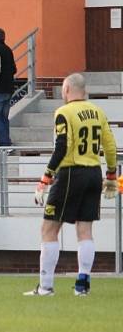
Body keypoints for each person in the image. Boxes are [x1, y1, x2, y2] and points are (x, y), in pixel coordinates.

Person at [25, 73, 118, 297]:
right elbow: (111, 146)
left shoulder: (64, 113)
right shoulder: (98, 112)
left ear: (66, 90)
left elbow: (62, 147)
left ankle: (45, 287)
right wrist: (112, 176)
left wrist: (44, 179)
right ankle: (82, 286)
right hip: (94, 173)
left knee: (49, 228)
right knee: (85, 230)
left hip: (70, 173)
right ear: (84, 91)